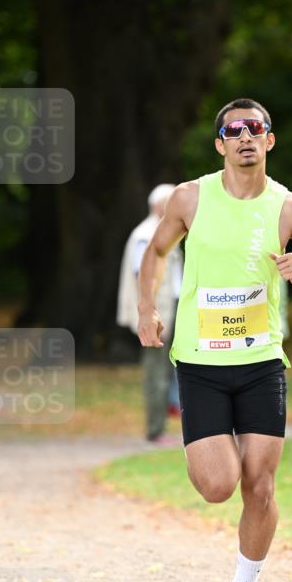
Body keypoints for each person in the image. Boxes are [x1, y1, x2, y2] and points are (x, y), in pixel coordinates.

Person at [137, 99, 292, 582]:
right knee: (218, 486)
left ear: (270, 140)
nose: (245, 136)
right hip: (201, 364)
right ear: (220, 144)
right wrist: (147, 310)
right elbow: (156, 253)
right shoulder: (190, 197)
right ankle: (210, 452)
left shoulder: (290, 209)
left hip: (261, 364)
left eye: (256, 128)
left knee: (261, 484)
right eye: (234, 130)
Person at [117, 184, 182, 443]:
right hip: (158, 314)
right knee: (156, 372)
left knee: (164, 370)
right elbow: (142, 277)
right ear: (159, 206)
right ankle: (155, 430)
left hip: (168, 311)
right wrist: (151, 315)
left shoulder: (163, 232)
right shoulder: (146, 235)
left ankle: (162, 423)